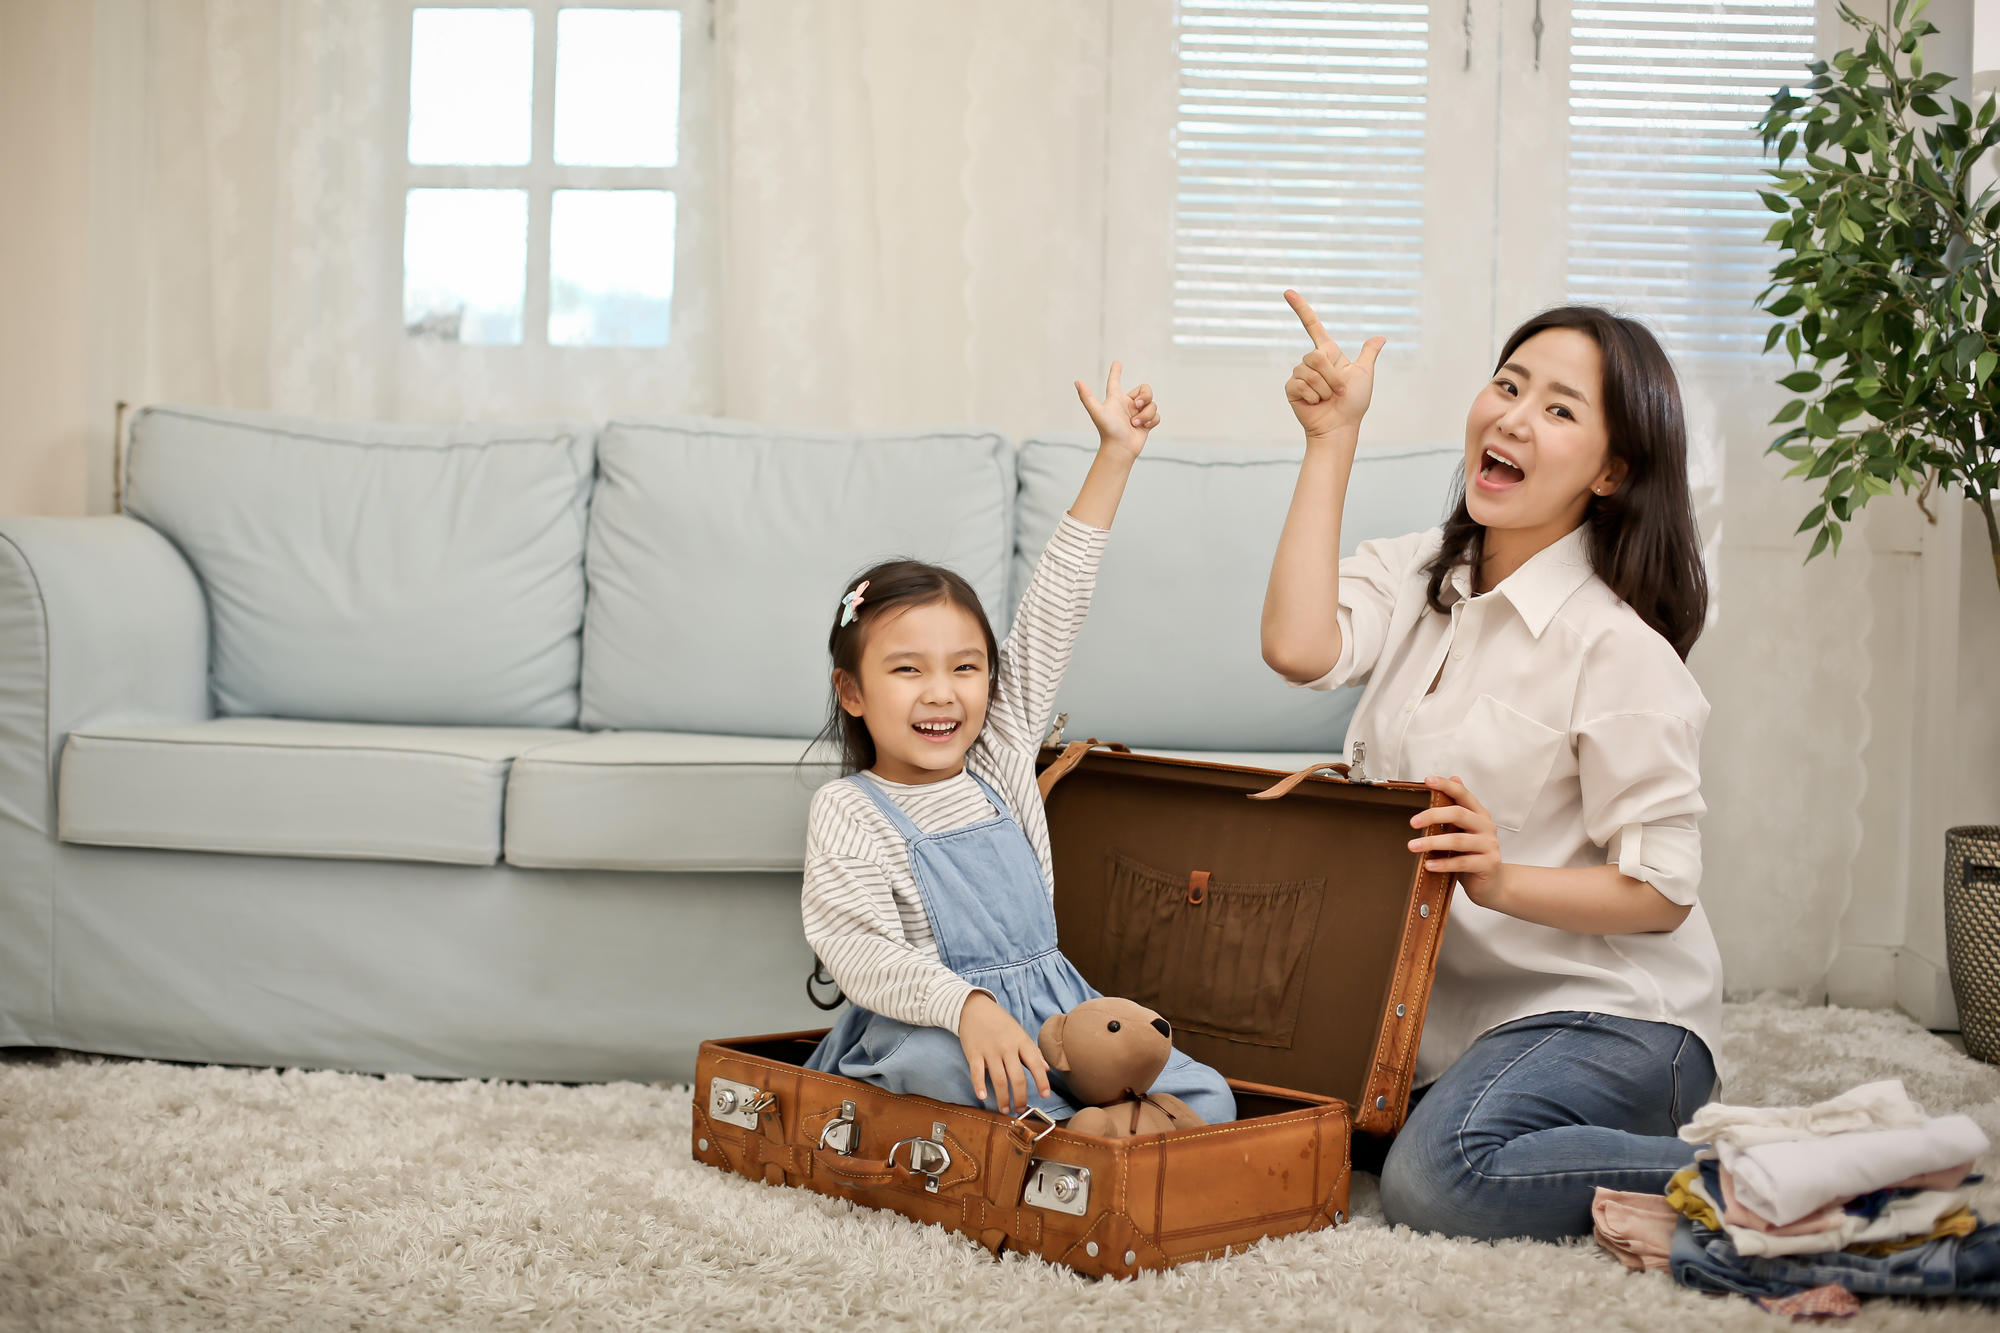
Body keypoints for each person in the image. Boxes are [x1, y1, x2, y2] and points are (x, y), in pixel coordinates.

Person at [1261, 290, 1721, 1241]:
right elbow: (1298, 647)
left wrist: (1501, 877)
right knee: (1261, 1115)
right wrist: (1330, 440)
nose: (1513, 415)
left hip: (1612, 1016)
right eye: (1508, 385)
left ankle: (1772, 1172)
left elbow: (1663, 892)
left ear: (1611, 471)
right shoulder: (1420, 570)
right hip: (1442, 1019)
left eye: (1559, 408)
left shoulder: (1618, 648)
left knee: (1437, 1182)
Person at [800, 364, 1236, 1125]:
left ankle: (1101, 1134)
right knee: (945, 1072)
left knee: (1207, 1088)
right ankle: (1085, 1140)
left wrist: (1116, 456)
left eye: (965, 668)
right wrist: (966, 1005)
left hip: (1056, 1015)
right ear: (853, 693)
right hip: (934, 1025)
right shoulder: (849, 809)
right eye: (908, 670)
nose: (942, 692)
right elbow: (862, 951)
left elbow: (1055, 606)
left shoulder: (998, 760)